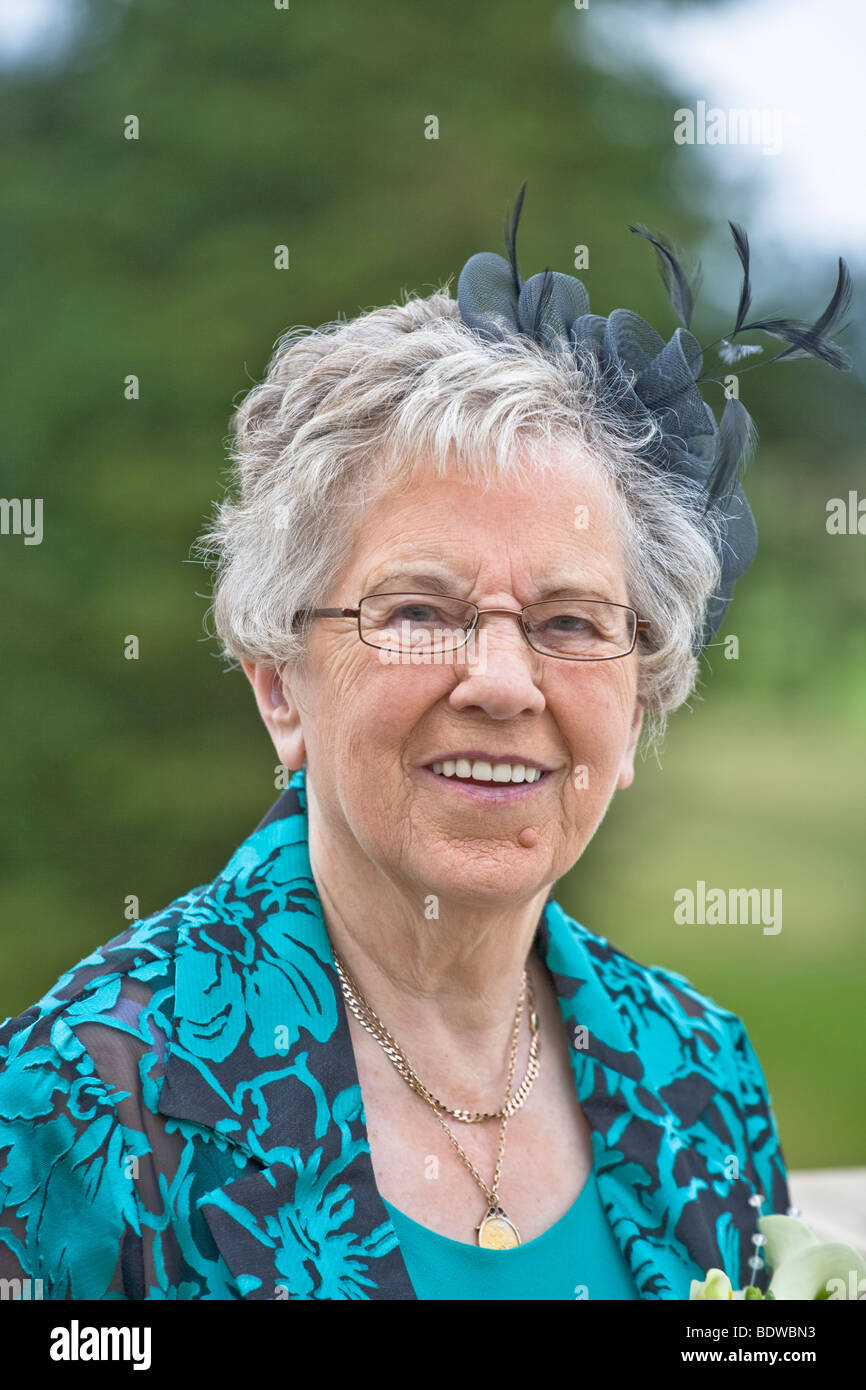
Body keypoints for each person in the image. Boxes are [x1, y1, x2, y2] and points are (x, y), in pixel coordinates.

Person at [0, 188, 850, 1300]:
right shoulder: (77, 1098)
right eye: (416, 612)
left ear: (637, 709)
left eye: (568, 622)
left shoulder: (698, 1072)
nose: (501, 682)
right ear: (277, 687)